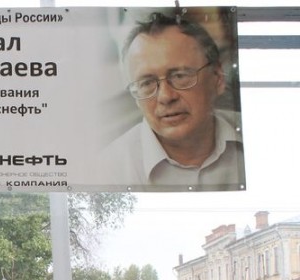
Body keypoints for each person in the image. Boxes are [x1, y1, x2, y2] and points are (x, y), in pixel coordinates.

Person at [97, 12, 244, 191]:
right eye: (147, 83)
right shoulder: (109, 171)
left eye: (179, 76)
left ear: (218, 78)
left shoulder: (255, 136)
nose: (166, 97)